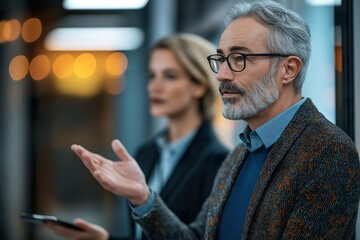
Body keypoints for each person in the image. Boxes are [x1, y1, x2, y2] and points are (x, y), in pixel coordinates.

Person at [66, 0, 360, 239]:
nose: (221, 75)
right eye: (221, 59)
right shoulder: (240, 153)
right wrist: (144, 198)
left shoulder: (327, 152)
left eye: (239, 58)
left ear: (288, 69)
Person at [44, 34, 229, 239]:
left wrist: (143, 199)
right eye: (152, 75)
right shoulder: (147, 152)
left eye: (170, 76)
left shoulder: (219, 162)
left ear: (200, 85)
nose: (154, 86)